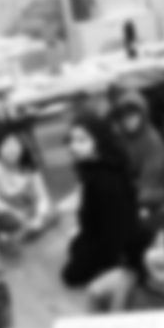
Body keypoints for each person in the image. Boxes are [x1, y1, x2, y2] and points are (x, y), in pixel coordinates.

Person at [61, 112, 141, 288]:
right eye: (72, 140)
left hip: (111, 238)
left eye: (82, 140)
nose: (74, 146)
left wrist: (113, 263)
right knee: (75, 246)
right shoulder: (94, 165)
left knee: (70, 276)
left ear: (99, 141)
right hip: (97, 230)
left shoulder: (106, 181)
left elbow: (115, 229)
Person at [0, 121, 56, 259]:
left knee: (50, 213)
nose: (12, 149)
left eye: (15, 144)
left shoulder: (28, 166)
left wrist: (39, 216)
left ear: (22, 146)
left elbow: (43, 197)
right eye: (6, 145)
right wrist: (11, 212)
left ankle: (9, 236)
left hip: (13, 208)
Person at [109, 88, 164, 215]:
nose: (129, 121)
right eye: (124, 117)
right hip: (135, 183)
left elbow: (150, 178)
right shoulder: (123, 137)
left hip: (157, 187)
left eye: (133, 115)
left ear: (143, 114)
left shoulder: (152, 140)